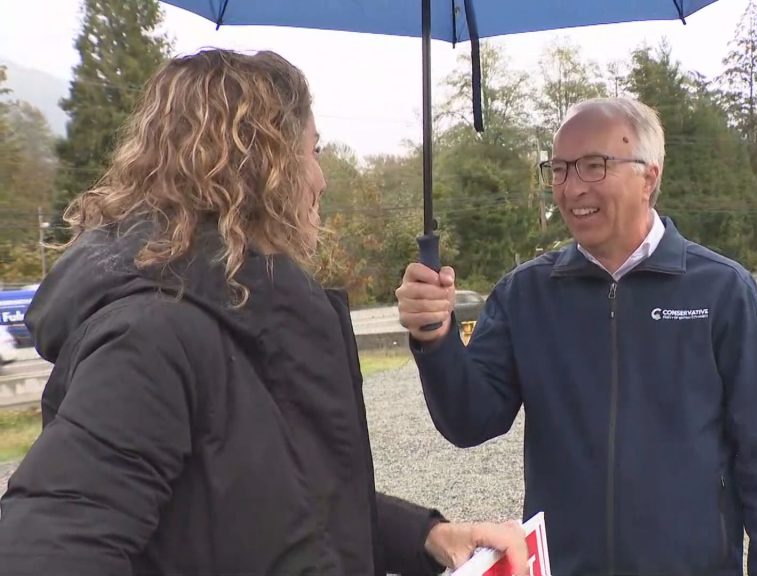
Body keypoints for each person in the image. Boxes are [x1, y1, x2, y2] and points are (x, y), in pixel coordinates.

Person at [0, 49, 528, 576]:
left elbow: (281, 511)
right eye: (313, 151)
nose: (321, 179)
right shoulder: (151, 335)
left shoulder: (248, 312)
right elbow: (45, 547)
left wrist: (426, 536)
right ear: (263, 163)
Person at [396, 97, 757, 576]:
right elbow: (470, 420)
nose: (572, 188)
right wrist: (436, 336)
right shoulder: (526, 295)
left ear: (649, 177)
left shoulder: (721, 290)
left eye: (594, 166)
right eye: (560, 169)